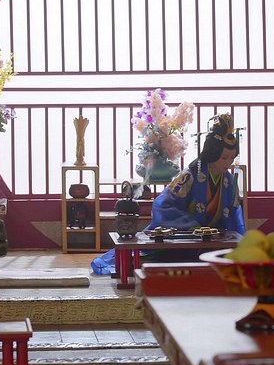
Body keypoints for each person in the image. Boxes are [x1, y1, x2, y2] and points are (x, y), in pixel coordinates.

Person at [91, 113, 246, 275]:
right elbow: (163, 205)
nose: (228, 163)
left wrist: (239, 241)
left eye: (231, 158)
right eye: (224, 158)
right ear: (212, 154)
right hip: (182, 235)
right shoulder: (189, 176)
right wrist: (191, 225)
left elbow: (234, 214)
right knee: (164, 258)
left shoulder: (228, 181)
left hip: (212, 238)